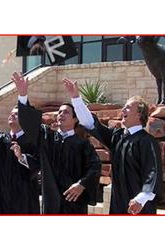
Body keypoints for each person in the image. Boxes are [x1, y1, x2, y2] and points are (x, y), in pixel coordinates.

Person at [62, 78, 163, 214]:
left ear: (139, 114)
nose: (123, 110)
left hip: (139, 207)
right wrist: (76, 98)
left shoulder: (147, 141)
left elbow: (153, 171)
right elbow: (91, 124)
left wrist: (142, 197)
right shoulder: (118, 136)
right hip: (118, 204)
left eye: (127, 107)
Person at [12, 72, 101, 214]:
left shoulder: (82, 144)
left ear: (75, 119)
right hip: (51, 202)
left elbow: (95, 167)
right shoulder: (46, 137)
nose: (61, 114)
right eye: (59, 112)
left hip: (74, 202)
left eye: (66, 112)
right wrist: (23, 95)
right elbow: (29, 122)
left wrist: (81, 185)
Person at [0, 106, 40, 214]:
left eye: (16, 114)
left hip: (24, 195)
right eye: (11, 113)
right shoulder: (0, 139)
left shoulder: (32, 140)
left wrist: (21, 157)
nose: (12, 115)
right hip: (3, 193)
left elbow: (38, 164)